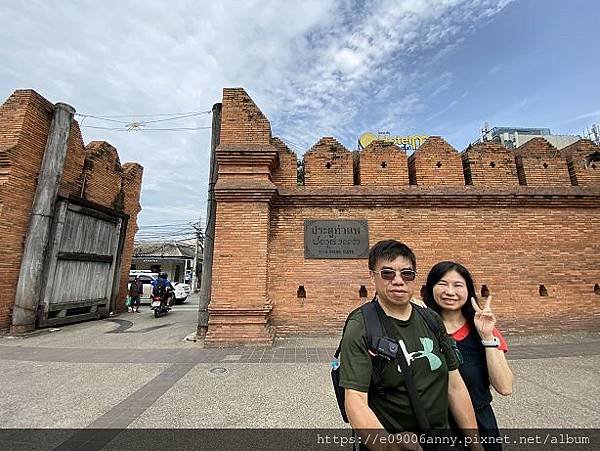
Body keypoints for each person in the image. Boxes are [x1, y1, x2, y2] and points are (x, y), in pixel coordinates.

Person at [339, 240, 482, 450]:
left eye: (407, 274)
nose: (398, 280)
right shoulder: (361, 326)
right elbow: (355, 401)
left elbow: (454, 384)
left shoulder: (431, 320)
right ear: (372, 276)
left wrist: (475, 444)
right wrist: (390, 446)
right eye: (387, 273)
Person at [424, 262, 513, 450]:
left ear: (468, 291)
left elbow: (505, 387)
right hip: (436, 427)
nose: (450, 291)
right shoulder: (421, 329)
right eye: (442, 283)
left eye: (458, 285)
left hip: (480, 424)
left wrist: (487, 336)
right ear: (430, 288)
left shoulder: (483, 330)